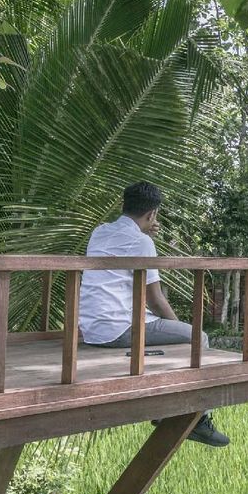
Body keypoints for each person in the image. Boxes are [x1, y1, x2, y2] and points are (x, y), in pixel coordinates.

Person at [80, 182, 229, 447]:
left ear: (124, 205)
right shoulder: (142, 242)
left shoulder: (99, 232)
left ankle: (168, 409)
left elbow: (125, 248)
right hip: (120, 328)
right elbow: (155, 299)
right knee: (197, 338)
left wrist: (145, 232)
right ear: (152, 213)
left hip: (93, 329)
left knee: (177, 338)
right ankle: (197, 418)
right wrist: (180, 327)